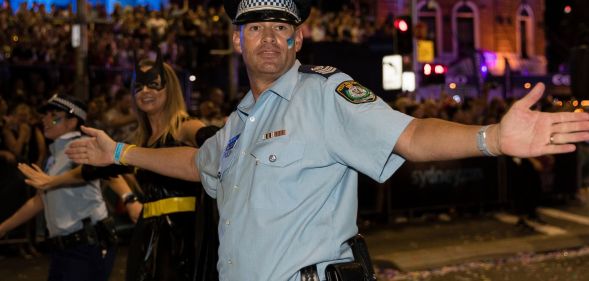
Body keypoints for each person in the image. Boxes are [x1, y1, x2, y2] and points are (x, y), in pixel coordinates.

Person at [65, 0, 589, 280]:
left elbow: (409, 136)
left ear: (298, 38)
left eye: (281, 26)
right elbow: (196, 162)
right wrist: (117, 152)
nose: (269, 37)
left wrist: (492, 136)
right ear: (236, 39)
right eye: (256, 26)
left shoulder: (325, 93)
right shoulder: (238, 123)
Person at [74, 54, 219, 281]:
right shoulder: (141, 141)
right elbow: (102, 170)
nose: (145, 91)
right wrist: (51, 181)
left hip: (181, 238)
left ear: (169, 89)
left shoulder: (184, 126)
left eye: (154, 85)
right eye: (139, 86)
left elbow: (213, 144)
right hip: (147, 233)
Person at [0, 94, 120, 281]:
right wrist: (3, 228)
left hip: (86, 247)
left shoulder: (81, 145)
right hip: (66, 249)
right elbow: (41, 200)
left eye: (54, 116)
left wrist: (130, 198)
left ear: (72, 122)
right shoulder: (56, 154)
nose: (45, 119)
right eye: (45, 115)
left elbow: (93, 172)